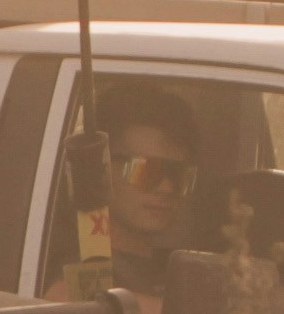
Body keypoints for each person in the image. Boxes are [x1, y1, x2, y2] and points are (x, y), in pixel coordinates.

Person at [49, 82, 200, 301]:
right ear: (102, 168)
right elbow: (68, 300)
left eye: (177, 174)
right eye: (146, 170)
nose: (166, 188)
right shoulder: (86, 259)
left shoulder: (170, 268)